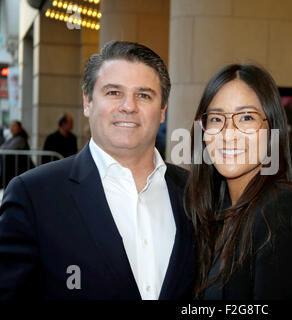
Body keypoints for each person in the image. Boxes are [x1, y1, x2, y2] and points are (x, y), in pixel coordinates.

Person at [0, 41, 195, 300]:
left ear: (162, 111)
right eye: (114, 92)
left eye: (144, 95)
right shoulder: (34, 195)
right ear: (87, 102)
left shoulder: (195, 193)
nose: (129, 106)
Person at [185, 64, 292, 300]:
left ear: (272, 128)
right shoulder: (216, 211)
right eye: (215, 118)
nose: (228, 133)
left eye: (246, 117)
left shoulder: (285, 210)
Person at [0, 120, 35, 189]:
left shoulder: (20, 139)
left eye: (14, 126)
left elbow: (6, 149)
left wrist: (3, 148)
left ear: (19, 128)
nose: (12, 128)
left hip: (18, 170)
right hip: (12, 170)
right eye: (11, 126)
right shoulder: (13, 138)